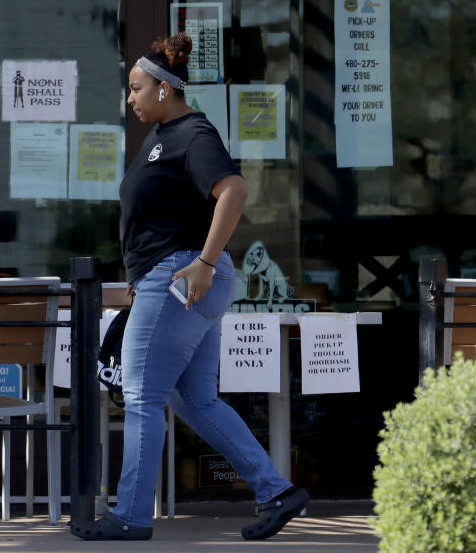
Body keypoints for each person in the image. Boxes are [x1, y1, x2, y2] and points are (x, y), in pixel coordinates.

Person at [70, 34, 308, 542]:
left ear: (164, 89)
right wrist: (145, 281)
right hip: (173, 280)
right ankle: (277, 491)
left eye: (135, 89)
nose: (129, 99)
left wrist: (201, 261)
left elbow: (234, 192)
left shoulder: (193, 134)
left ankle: (131, 516)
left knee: (140, 395)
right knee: (194, 400)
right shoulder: (159, 139)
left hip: (183, 276)